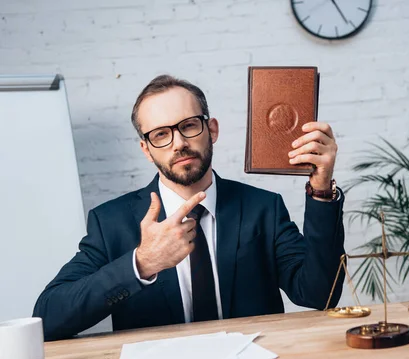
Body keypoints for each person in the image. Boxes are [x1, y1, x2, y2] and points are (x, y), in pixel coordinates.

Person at [33, 74, 346, 341]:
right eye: (160, 134)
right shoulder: (110, 222)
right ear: (146, 149)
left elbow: (322, 294)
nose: (178, 143)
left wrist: (320, 190)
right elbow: (48, 318)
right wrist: (141, 264)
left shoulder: (263, 208)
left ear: (212, 130)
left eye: (188, 126)